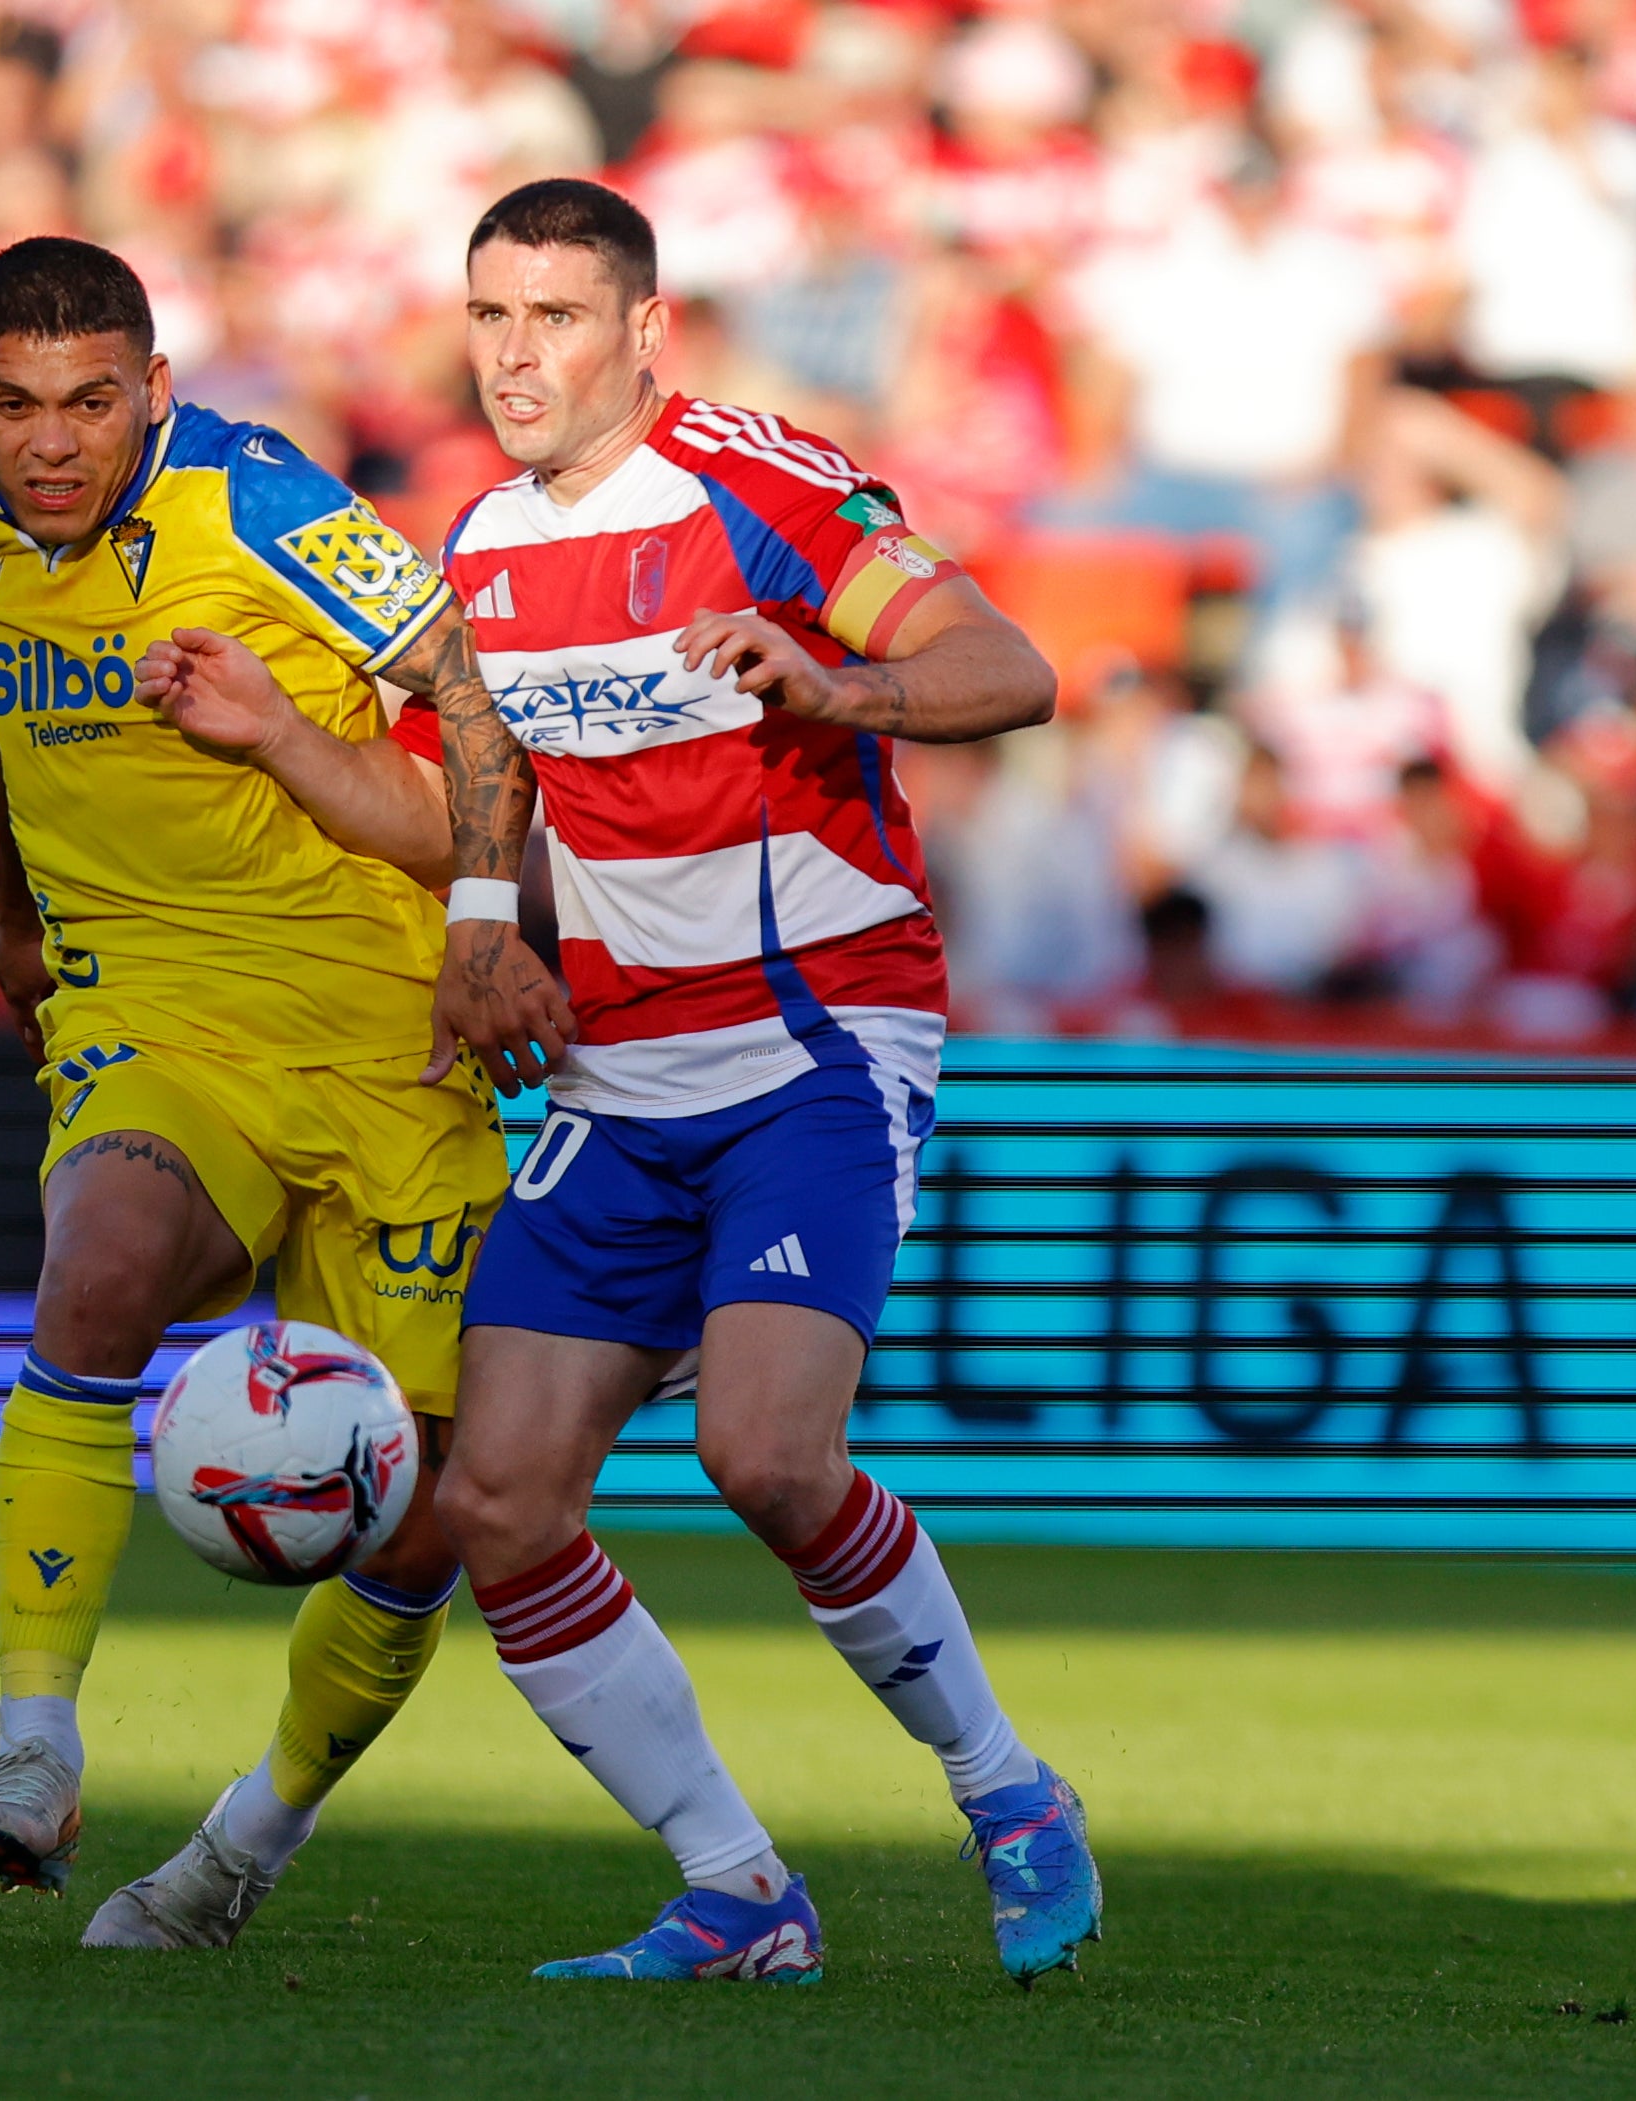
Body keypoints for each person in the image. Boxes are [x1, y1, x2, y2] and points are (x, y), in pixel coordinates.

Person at [420, 180, 1100, 1987]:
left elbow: (1006, 668)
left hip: (811, 1045)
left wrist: (831, 681)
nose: (514, 355)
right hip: (614, 1074)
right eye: (491, 315)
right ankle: (736, 1891)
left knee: (764, 1451)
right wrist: (484, 918)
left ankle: (1007, 1791)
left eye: (555, 317)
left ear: (647, 330)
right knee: (494, 1502)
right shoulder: (477, 545)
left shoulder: (764, 479)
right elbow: (481, 773)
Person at [0, 237, 509, 1949]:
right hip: (160, 1025)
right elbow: (7, 727)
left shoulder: (264, 507)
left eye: (92, 402)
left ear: (155, 391)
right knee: (95, 1271)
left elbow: (470, 705)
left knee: (419, 1516)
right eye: (15, 407)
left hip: (389, 1038)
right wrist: (16, 924)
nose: (52, 443)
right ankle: (31, 1743)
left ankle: (240, 1851)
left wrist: (482, 928)